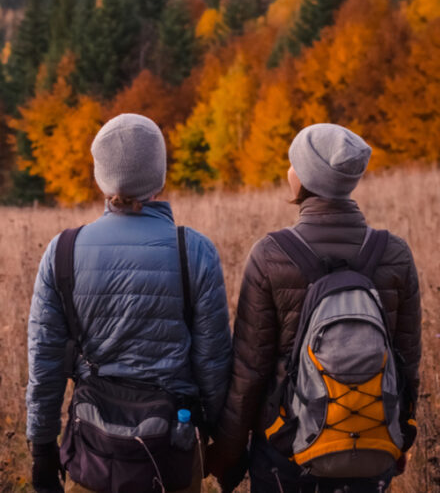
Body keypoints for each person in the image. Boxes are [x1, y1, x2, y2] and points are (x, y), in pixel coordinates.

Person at [208, 123, 421, 492]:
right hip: (372, 450)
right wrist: (399, 438)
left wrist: (227, 457)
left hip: (286, 454)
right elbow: (407, 365)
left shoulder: (271, 255)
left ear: (304, 178)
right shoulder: (395, 254)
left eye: (294, 164)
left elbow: (249, 373)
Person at [27, 113, 232, 493]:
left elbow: (45, 362)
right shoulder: (195, 251)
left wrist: (42, 449)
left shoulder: (63, 252)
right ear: (160, 175)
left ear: (100, 177)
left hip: (92, 456)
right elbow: (214, 364)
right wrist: (222, 441)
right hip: (172, 455)